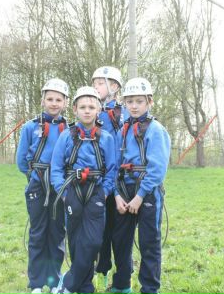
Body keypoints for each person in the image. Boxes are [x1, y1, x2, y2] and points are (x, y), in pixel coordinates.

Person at [51, 87, 117, 294]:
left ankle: (68, 284)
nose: (87, 111)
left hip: (96, 191)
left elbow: (112, 169)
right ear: (75, 109)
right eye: (82, 107)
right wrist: (63, 193)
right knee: (76, 240)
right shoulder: (66, 136)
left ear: (98, 110)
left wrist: (105, 192)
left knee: (94, 241)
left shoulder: (106, 138)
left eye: (91, 107)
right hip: (72, 190)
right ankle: (85, 287)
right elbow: (56, 168)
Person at [111, 78, 171, 294]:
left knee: (148, 243)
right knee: (120, 240)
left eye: (139, 101)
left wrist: (140, 196)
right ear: (124, 103)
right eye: (130, 102)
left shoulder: (156, 130)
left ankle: (150, 289)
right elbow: (115, 164)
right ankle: (121, 284)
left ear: (149, 102)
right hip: (124, 190)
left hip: (147, 193)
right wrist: (117, 194)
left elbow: (157, 168)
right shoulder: (122, 130)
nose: (134, 106)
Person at [16, 78, 70, 294]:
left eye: (58, 100)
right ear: (42, 101)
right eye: (50, 99)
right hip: (38, 186)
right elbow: (21, 159)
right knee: (38, 233)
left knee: (57, 233)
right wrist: (34, 177)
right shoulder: (30, 127)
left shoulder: (70, 130)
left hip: (60, 186)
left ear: (65, 102)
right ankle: (36, 283)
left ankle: (54, 280)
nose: (54, 103)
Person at [91, 66, 126, 290]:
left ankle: (123, 277)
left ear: (113, 86)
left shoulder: (124, 113)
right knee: (101, 232)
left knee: (120, 234)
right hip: (100, 182)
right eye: (94, 83)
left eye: (99, 83)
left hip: (121, 183)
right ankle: (102, 271)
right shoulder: (92, 111)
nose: (95, 87)